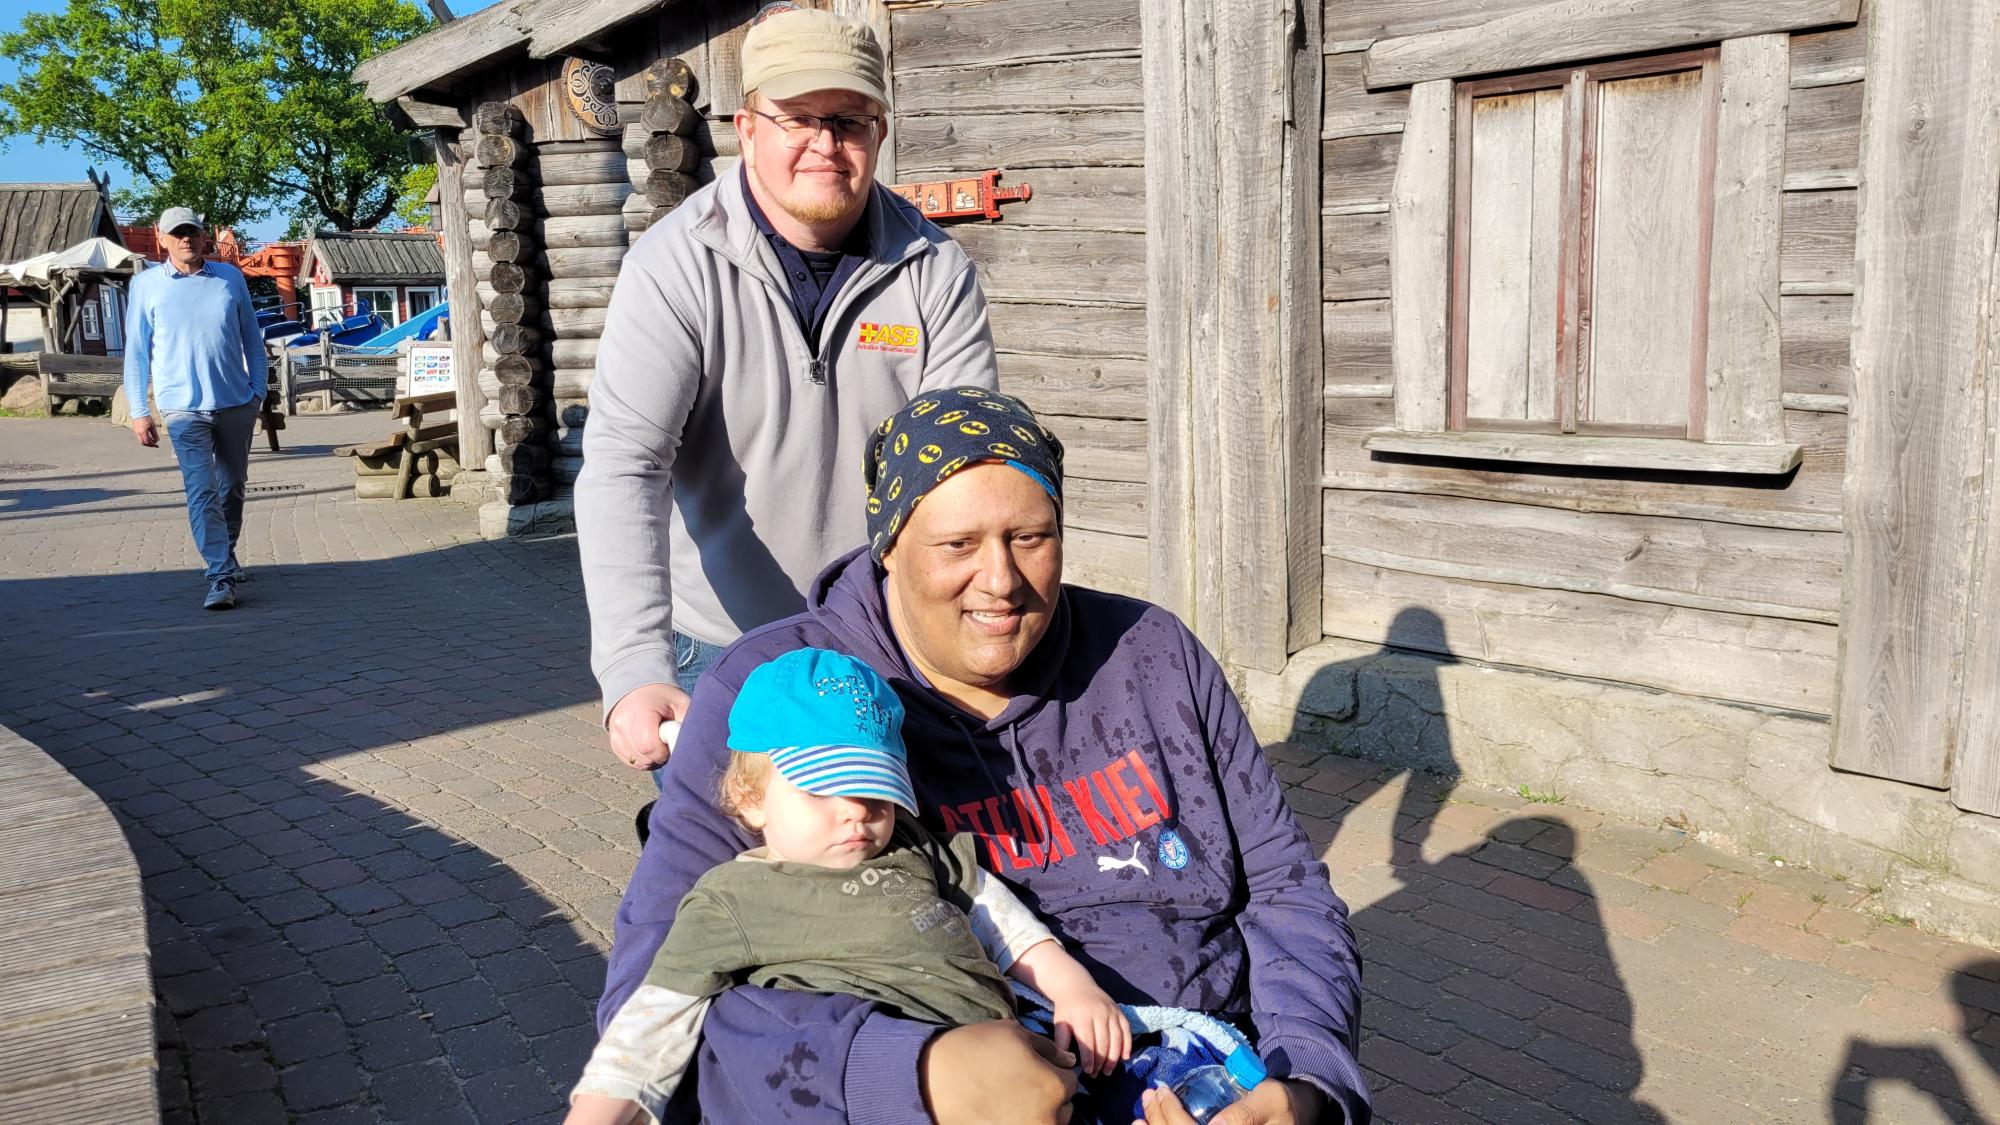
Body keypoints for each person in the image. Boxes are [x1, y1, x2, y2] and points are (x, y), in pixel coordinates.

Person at [600, 388, 1371, 1125]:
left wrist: (1305, 1080)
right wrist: (910, 1073)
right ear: (889, 546)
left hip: (1202, 1063)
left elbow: (1284, 889)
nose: (1001, 581)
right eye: (957, 544)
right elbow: (661, 988)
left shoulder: (1154, 655)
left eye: (1030, 537)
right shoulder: (781, 698)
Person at [576, 2, 1000, 778]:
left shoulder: (934, 270)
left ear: (878, 132)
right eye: (798, 117)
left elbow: (963, 474)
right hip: (721, 650)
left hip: (886, 640)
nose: (825, 144)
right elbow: (623, 466)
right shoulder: (675, 268)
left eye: (848, 120)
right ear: (747, 129)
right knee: (736, 851)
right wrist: (634, 667)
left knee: (892, 846)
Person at [566, 647, 1129, 1125]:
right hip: (893, 1091)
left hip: (1010, 1069)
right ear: (751, 799)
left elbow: (994, 913)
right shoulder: (733, 899)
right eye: (821, 791)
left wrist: (1072, 987)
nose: (856, 812)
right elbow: (655, 1018)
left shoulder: (909, 845)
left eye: (874, 792)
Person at [123, 206, 269, 611]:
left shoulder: (229, 279)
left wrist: (257, 393)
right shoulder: (147, 285)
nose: (185, 239)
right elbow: (136, 353)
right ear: (162, 239)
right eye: (177, 233)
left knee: (232, 487)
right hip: (182, 408)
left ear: (204, 237)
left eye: (192, 232)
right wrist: (139, 410)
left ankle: (227, 553)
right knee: (201, 490)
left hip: (235, 402)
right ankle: (220, 574)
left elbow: (252, 340)